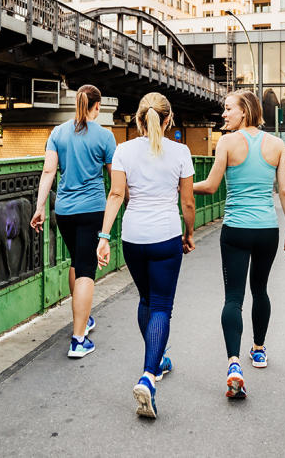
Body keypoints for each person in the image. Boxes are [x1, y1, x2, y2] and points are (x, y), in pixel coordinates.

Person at [97, 92, 196, 419]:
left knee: (145, 300)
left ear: (138, 120)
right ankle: (148, 375)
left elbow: (116, 194)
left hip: (133, 238)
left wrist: (103, 236)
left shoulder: (123, 150)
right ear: (168, 120)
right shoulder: (181, 151)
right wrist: (189, 232)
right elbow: (188, 203)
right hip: (166, 236)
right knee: (162, 306)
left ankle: (157, 359)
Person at [193, 90, 285, 399]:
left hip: (236, 229)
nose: (224, 114)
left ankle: (234, 365)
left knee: (233, 298)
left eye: (228, 109)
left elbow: (211, 186)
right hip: (267, 229)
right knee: (260, 290)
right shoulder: (276, 145)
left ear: (244, 111)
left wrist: (182, 184)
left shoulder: (226, 143)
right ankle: (259, 350)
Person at [31, 84, 116, 358]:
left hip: (64, 211)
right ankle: (78, 339)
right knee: (87, 270)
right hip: (92, 210)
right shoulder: (105, 137)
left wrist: (39, 206)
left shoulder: (58, 132)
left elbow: (48, 171)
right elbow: (116, 182)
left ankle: (83, 319)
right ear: (97, 106)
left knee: (77, 262)